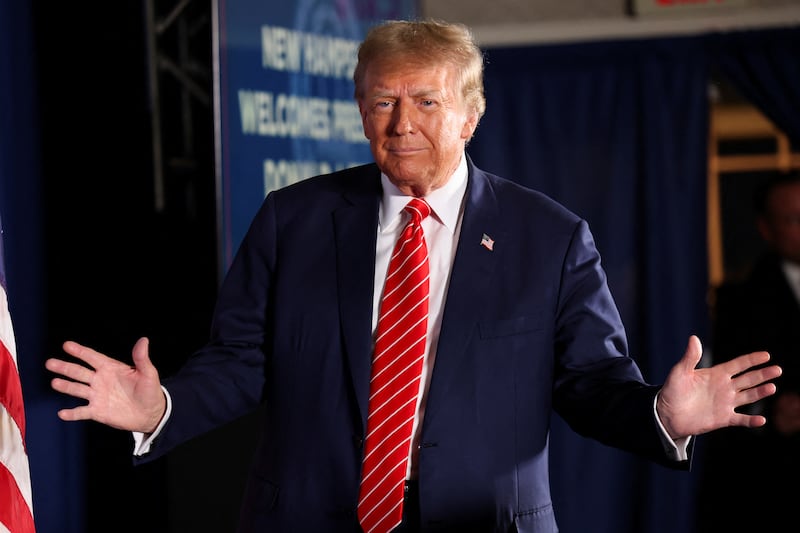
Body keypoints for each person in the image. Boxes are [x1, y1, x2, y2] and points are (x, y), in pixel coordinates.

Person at [45, 19, 780, 533]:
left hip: (485, 521)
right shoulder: (292, 220)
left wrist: (661, 414)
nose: (402, 123)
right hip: (308, 516)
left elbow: (591, 384)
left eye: (426, 101)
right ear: (361, 112)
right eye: (383, 102)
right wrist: (161, 407)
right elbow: (240, 361)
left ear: (470, 113)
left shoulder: (550, 237)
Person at [695, 171, 800, 533]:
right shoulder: (734, 302)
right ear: (766, 228)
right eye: (794, 219)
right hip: (773, 483)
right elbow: (718, 389)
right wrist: (772, 410)